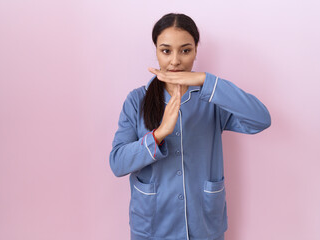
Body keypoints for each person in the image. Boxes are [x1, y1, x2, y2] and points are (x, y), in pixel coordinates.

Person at [109, 13, 271, 240]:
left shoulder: (212, 99)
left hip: (203, 225)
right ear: (156, 50)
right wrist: (159, 134)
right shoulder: (137, 100)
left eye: (185, 50)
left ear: (196, 50)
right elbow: (118, 162)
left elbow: (260, 119)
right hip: (153, 226)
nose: (175, 60)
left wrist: (205, 80)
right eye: (166, 51)